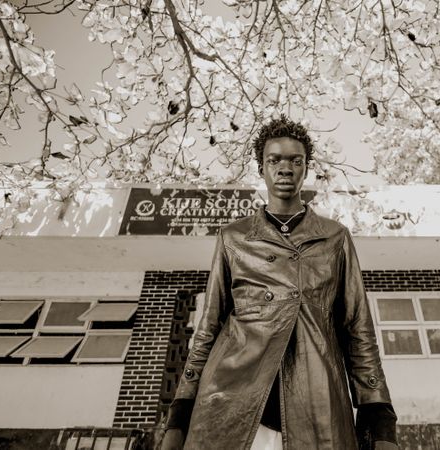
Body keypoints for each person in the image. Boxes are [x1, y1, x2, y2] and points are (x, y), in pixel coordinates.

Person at [160, 116, 398, 450]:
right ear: (261, 168)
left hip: (316, 404)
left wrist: (379, 414)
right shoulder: (233, 238)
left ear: (305, 168)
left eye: (295, 161)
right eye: (274, 160)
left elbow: (357, 328)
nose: (284, 169)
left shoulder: (335, 238)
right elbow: (209, 326)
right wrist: (180, 411)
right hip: (230, 401)